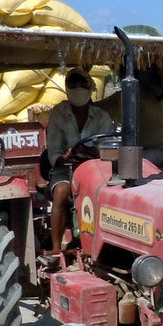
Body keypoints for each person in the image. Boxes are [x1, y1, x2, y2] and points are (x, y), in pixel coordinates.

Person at [45, 67, 115, 251]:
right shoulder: (58, 114)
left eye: (82, 84)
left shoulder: (102, 116)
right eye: (73, 84)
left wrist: (89, 152)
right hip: (66, 168)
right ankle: (55, 249)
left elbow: (108, 149)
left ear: (90, 87)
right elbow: (53, 150)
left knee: (112, 193)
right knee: (61, 191)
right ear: (67, 89)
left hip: (95, 168)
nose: (78, 88)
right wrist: (64, 157)